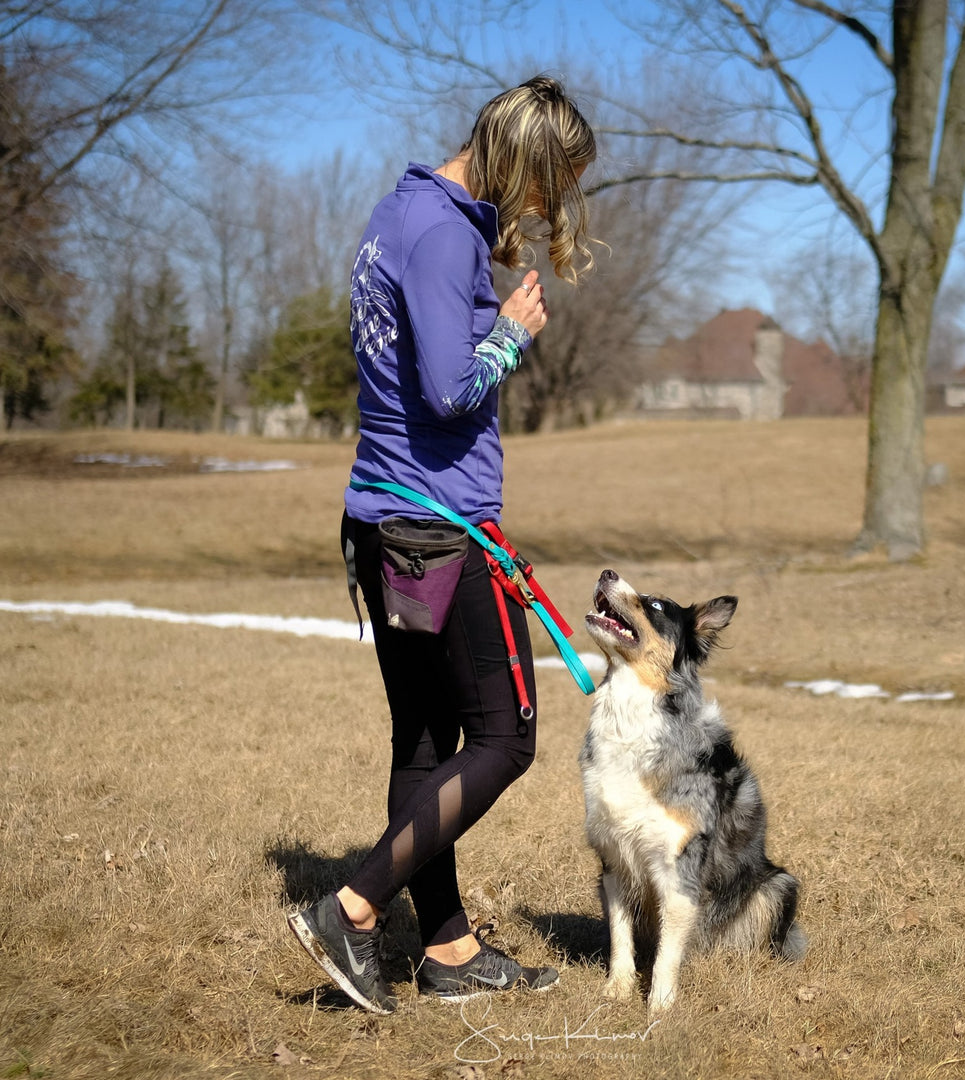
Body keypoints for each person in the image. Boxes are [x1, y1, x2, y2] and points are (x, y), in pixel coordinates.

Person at [287, 75, 598, 1014]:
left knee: (426, 740)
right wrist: (510, 334)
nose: (550, 208)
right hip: (436, 529)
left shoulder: (402, 210)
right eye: (553, 185)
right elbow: (449, 390)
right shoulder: (441, 233)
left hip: (387, 517)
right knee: (506, 740)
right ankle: (350, 906)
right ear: (524, 161)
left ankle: (450, 950)